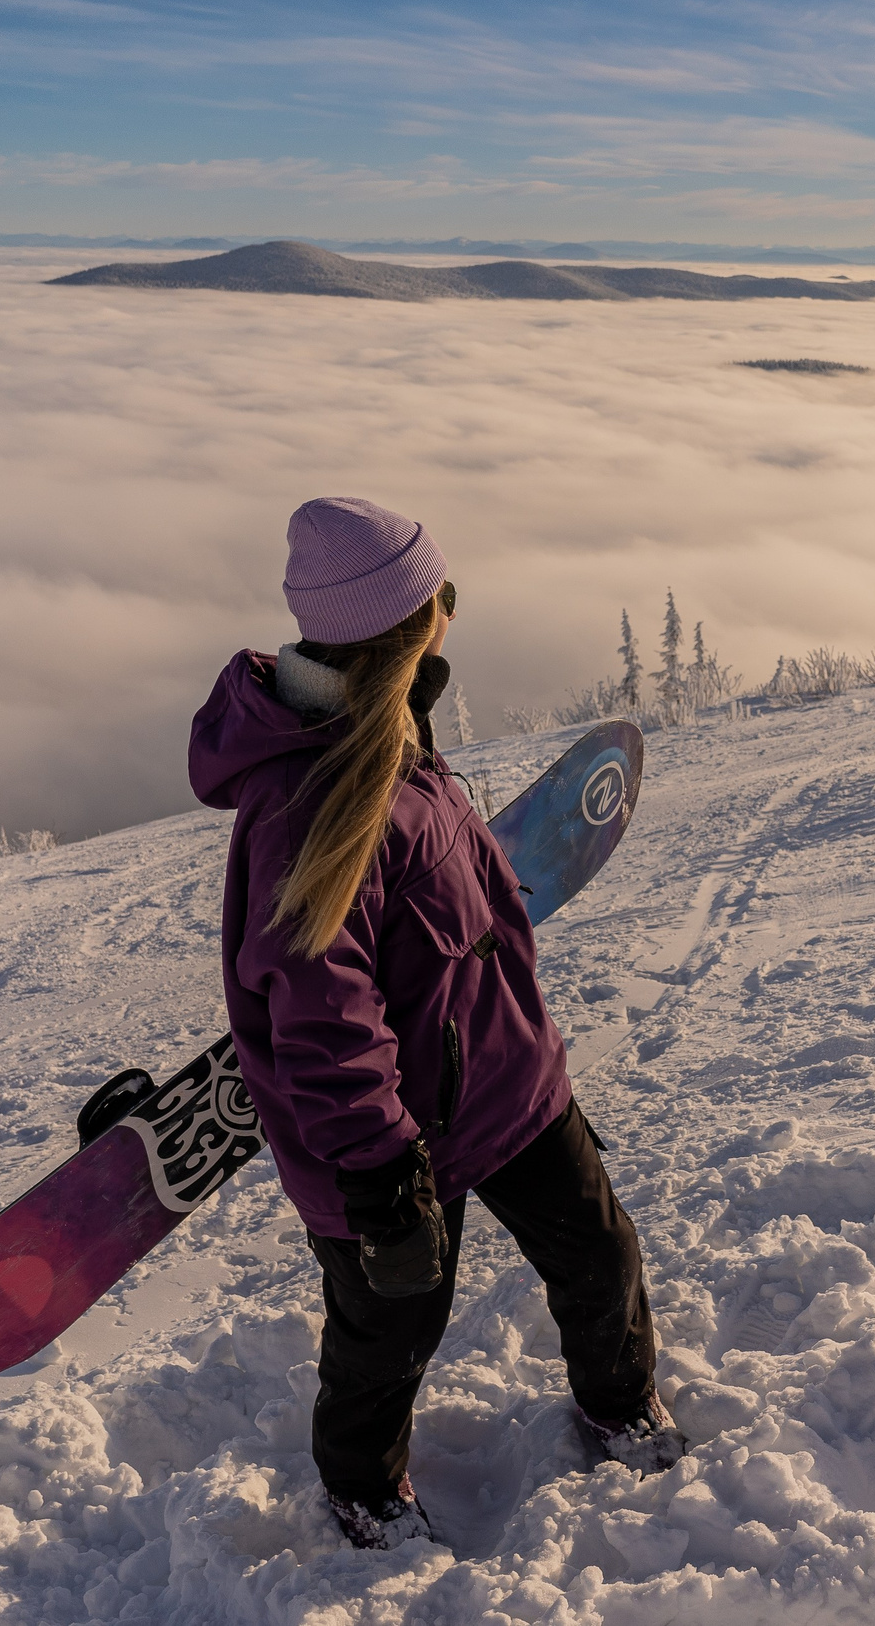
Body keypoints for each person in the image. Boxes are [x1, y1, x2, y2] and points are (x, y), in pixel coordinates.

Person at [186, 496, 682, 1550]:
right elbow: (323, 1014)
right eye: (441, 597)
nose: (452, 612)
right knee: (386, 1334)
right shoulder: (314, 803)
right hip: (394, 1145)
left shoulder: (392, 731)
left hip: (506, 1086)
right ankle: (362, 1489)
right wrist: (379, 1175)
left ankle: (618, 1404)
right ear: (407, 625)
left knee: (601, 1257)